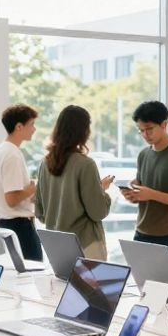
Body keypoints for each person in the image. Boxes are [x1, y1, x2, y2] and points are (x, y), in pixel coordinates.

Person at [123, 101, 168, 269]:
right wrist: (133, 194)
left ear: (164, 124)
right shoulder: (143, 155)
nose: (145, 134)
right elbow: (144, 192)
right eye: (141, 130)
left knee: (167, 286)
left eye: (149, 129)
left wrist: (151, 194)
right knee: (142, 284)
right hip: (141, 232)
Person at [35, 105, 114, 260]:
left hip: (58, 248)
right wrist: (102, 192)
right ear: (83, 131)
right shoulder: (86, 164)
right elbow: (98, 212)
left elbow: (40, 213)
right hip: (86, 245)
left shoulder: (45, 163)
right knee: (95, 278)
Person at [0, 103, 42, 261]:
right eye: (31, 124)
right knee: (33, 271)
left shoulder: (0, 150)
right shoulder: (12, 155)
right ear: (19, 127)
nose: (34, 129)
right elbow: (11, 199)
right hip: (19, 227)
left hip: (8, 224)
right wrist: (32, 189)